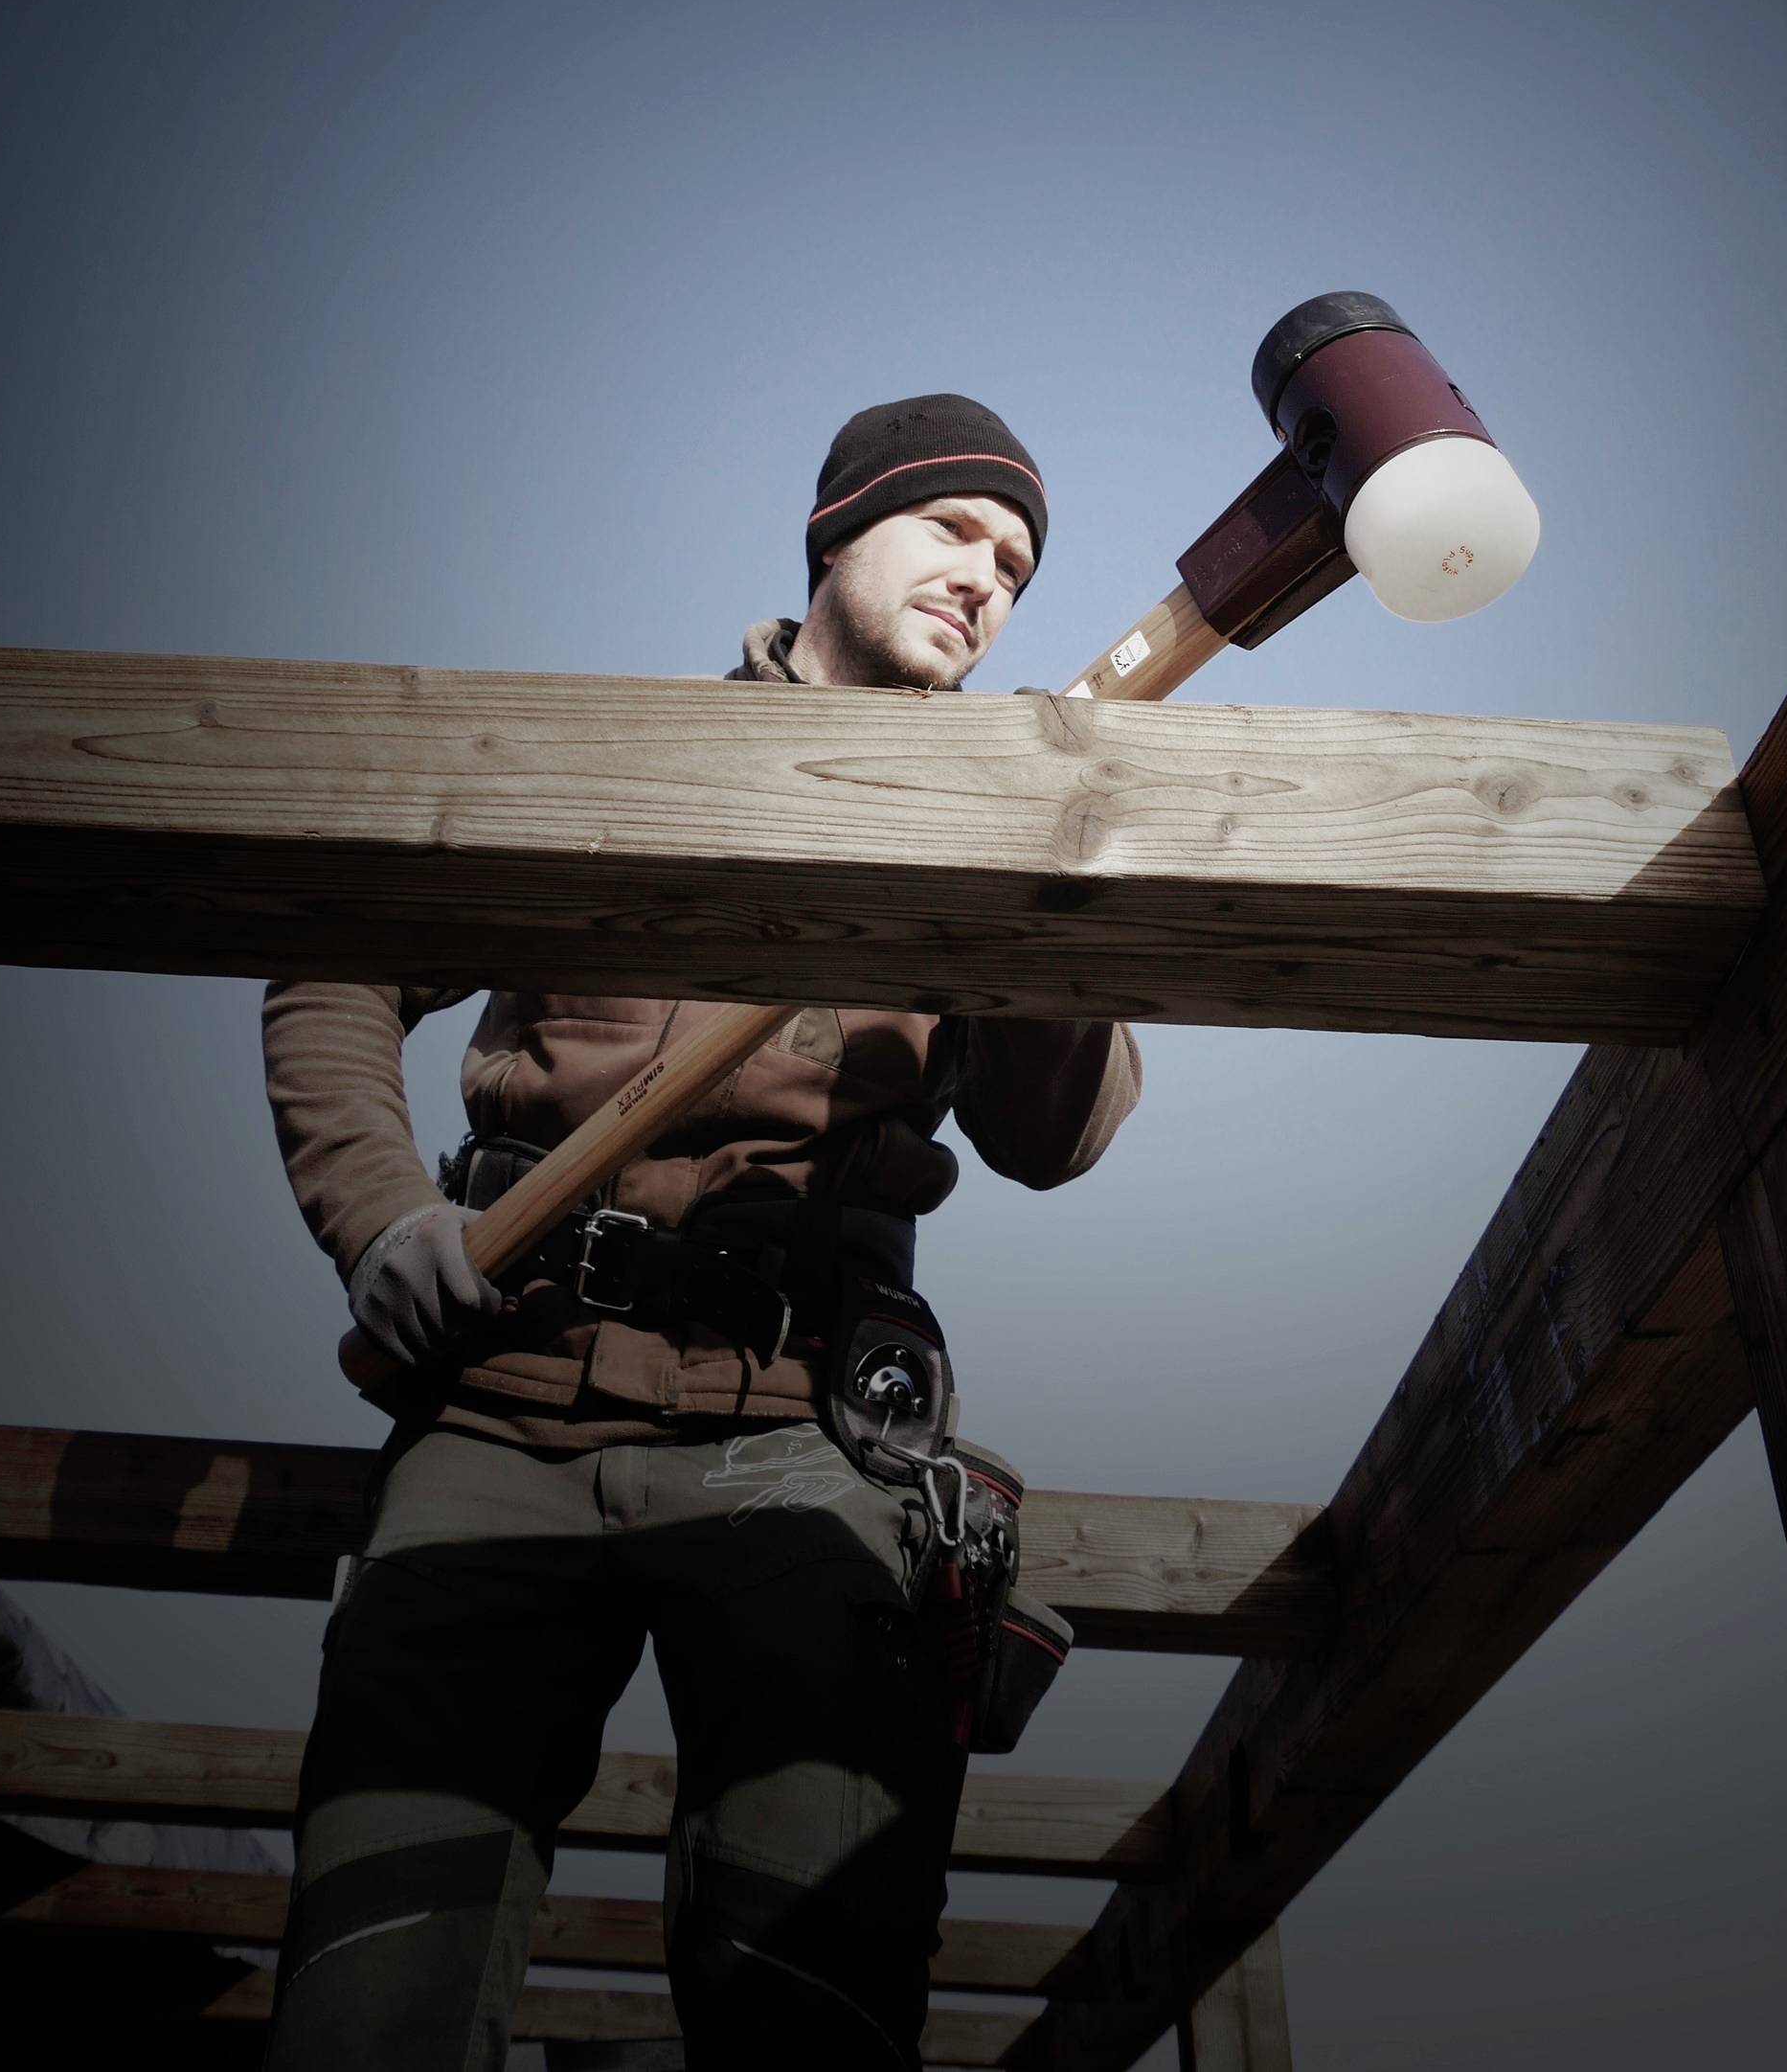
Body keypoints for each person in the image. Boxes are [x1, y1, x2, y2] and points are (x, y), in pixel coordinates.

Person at [261, 395, 1142, 2070]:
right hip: (497, 1412)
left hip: (802, 1438)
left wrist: (1041, 855)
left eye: (1017, 564)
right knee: (374, 1980)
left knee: (817, 1996)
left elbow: (1056, 1132)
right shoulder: (608, 757)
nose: (987, 580)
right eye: (954, 528)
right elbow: (334, 959)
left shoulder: (1002, 806)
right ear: (838, 531)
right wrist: (373, 1215)